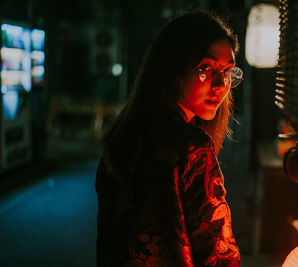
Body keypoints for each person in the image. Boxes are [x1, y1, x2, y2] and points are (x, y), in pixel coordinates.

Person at [96, 9, 243, 267]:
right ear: (173, 68)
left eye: (228, 71)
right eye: (206, 68)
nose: (220, 84)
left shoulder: (127, 135)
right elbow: (219, 258)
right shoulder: (191, 149)